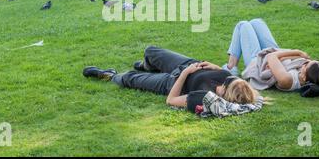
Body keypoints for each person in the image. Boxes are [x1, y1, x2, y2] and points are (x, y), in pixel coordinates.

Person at [83, 46, 264, 115]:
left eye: (224, 87)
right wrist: (215, 67)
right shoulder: (234, 83)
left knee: (130, 78)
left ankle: (109, 75)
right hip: (191, 64)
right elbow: (228, 77)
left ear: (226, 97)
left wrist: (185, 74)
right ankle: (149, 66)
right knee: (151, 51)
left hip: (174, 81)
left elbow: (171, 100)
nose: (222, 83)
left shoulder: (207, 98)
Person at [225, 19, 319, 94]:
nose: (304, 62)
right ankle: (232, 65)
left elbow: (272, 57)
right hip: (273, 57)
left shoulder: (288, 80)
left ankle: (231, 67)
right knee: (257, 22)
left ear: (304, 77)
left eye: (305, 65)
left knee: (243, 25)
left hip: (258, 64)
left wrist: (296, 52)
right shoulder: (314, 76)